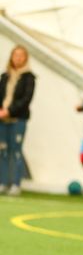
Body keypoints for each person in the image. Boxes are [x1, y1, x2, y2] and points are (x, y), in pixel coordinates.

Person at [0, 45, 35, 196]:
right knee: (2, 151)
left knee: (16, 151)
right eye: (15, 55)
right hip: (2, 119)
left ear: (25, 58)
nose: (18, 58)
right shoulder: (5, 76)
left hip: (18, 119)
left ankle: (15, 184)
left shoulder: (29, 78)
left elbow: (26, 99)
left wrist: (10, 111)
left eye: (21, 55)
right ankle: (2, 183)